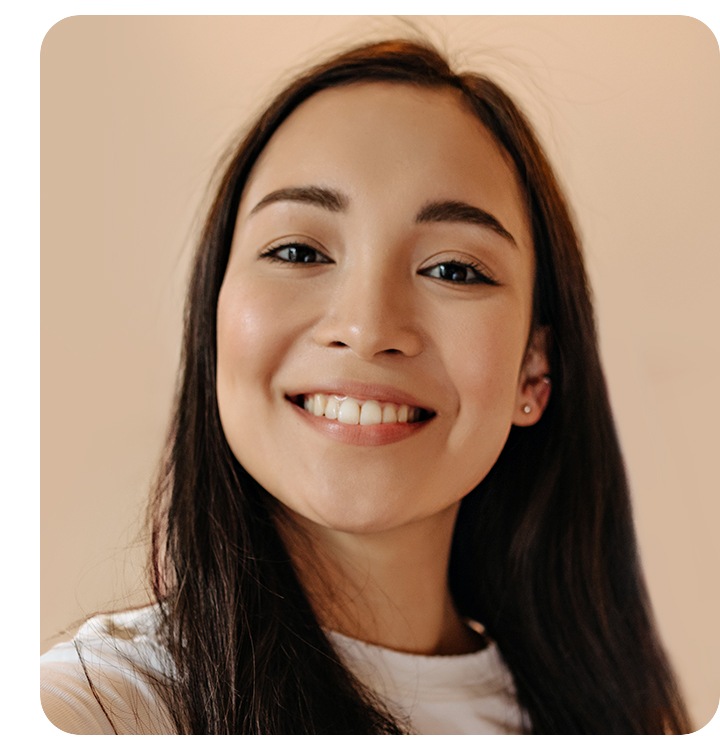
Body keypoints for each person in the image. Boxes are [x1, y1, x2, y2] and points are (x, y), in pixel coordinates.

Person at [40, 38, 691, 735]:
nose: (367, 325)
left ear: (535, 369)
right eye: (298, 251)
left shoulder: (627, 721)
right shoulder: (100, 709)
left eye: (454, 270)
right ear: (214, 321)